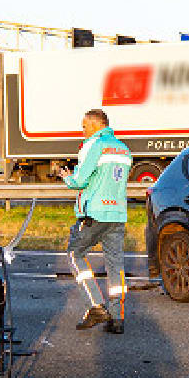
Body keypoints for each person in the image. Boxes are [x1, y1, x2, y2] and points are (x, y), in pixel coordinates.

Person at [58, 108, 133, 333]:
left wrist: (66, 177)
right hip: (117, 214)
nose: (82, 131)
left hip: (95, 214)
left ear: (95, 124)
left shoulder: (94, 145)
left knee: (75, 254)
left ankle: (95, 305)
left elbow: (80, 181)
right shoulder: (124, 149)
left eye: (84, 126)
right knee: (115, 266)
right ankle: (117, 318)